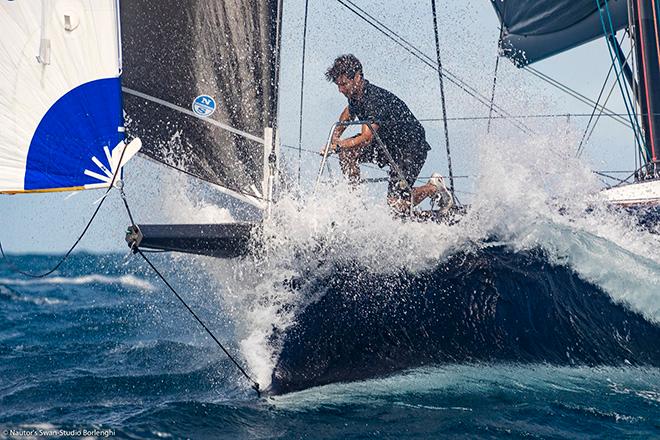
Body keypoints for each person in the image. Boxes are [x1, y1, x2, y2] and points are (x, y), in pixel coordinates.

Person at [322, 54, 452, 213]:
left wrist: (337, 145)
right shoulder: (355, 95)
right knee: (347, 153)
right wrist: (334, 138)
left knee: (396, 204)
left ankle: (433, 187)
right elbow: (349, 112)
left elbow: (365, 138)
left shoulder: (374, 100)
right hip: (386, 144)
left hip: (410, 147)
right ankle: (353, 203)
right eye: (338, 85)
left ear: (357, 77)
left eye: (343, 84)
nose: (340, 90)